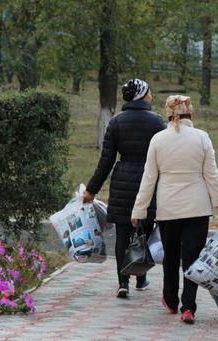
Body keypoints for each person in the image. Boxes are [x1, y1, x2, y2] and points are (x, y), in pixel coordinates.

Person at [131, 95, 218, 324]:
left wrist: (139, 210)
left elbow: (149, 179)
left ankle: (170, 300)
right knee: (192, 258)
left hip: (168, 208)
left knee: (171, 256)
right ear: (191, 113)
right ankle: (189, 307)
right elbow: (212, 177)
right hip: (197, 209)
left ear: (168, 114)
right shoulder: (201, 137)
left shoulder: (158, 139)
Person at [82, 78, 166, 298]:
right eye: (149, 92)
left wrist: (92, 189)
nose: (151, 95)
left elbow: (106, 161)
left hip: (122, 183)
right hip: (149, 182)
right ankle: (141, 277)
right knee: (145, 231)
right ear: (142, 95)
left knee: (123, 234)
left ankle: (122, 282)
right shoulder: (157, 123)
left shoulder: (116, 122)